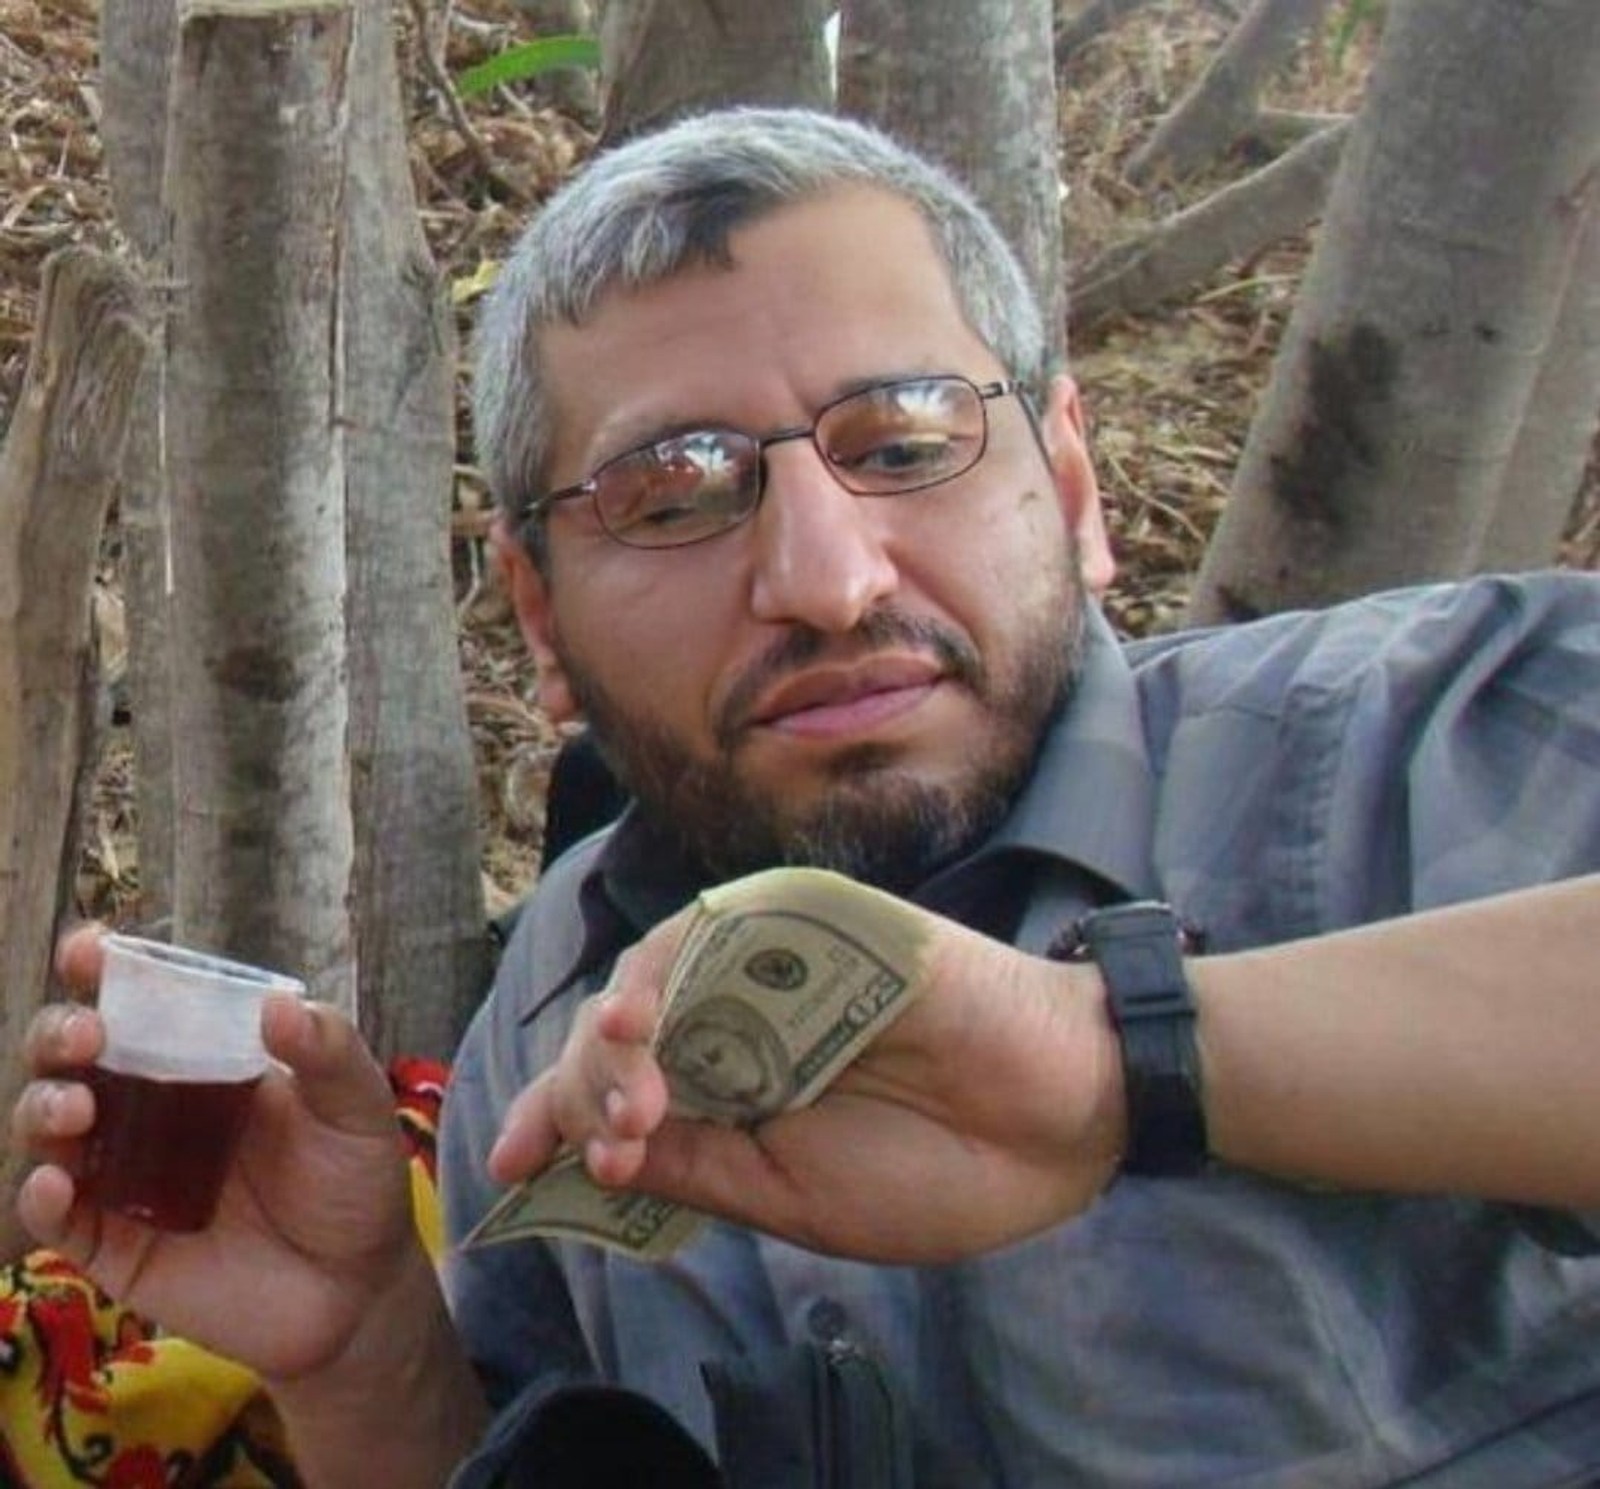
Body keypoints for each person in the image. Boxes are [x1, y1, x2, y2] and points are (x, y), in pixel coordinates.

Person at [11, 104, 1600, 1487]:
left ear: (1068, 484)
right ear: (542, 616)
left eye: (904, 443)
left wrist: (1114, 1061)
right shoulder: (556, 1016)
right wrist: (362, 1344)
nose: (830, 580)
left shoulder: (1421, 741)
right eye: (675, 495)